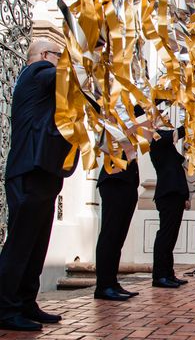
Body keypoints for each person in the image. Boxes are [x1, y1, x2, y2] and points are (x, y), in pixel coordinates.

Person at [0, 40, 77, 331]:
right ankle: (6, 309)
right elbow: (66, 76)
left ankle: (25, 302)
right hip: (28, 172)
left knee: (36, 245)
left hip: (42, 172)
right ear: (45, 56)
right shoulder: (36, 72)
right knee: (20, 245)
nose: (61, 61)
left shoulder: (46, 83)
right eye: (60, 55)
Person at [94, 152, 140, 301]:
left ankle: (112, 282)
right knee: (110, 235)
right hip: (114, 179)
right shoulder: (116, 128)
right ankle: (103, 285)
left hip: (128, 181)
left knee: (118, 238)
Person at [149, 126, 190, 288]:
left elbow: (178, 173)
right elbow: (176, 133)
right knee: (165, 235)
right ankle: (159, 275)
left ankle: (168, 273)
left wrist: (185, 196)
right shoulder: (157, 141)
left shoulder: (168, 148)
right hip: (167, 194)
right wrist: (194, 119)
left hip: (176, 194)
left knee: (171, 236)